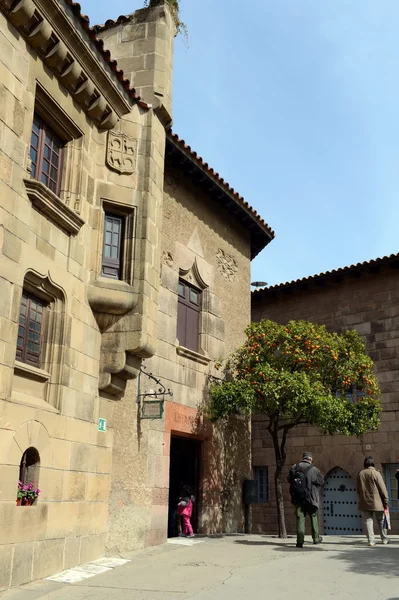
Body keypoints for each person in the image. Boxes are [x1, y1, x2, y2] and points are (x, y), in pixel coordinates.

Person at [287, 451, 324, 548]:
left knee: (300, 519)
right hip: (311, 498)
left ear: (303, 457)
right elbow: (321, 481)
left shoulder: (295, 467)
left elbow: (289, 479)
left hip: (298, 497)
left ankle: (300, 541)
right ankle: (315, 538)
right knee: (314, 517)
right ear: (311, 459)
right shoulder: (314, 469)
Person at [357, 457, 389, 546]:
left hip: (365, 501)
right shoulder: (376, 473)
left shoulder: (361, 474)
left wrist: (362, 497)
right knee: (381, 520)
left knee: (368, 521)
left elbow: (358, 489)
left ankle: (371, 540)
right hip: (377, 501)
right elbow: (382, 488)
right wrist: (386, 501)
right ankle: (384, 538)